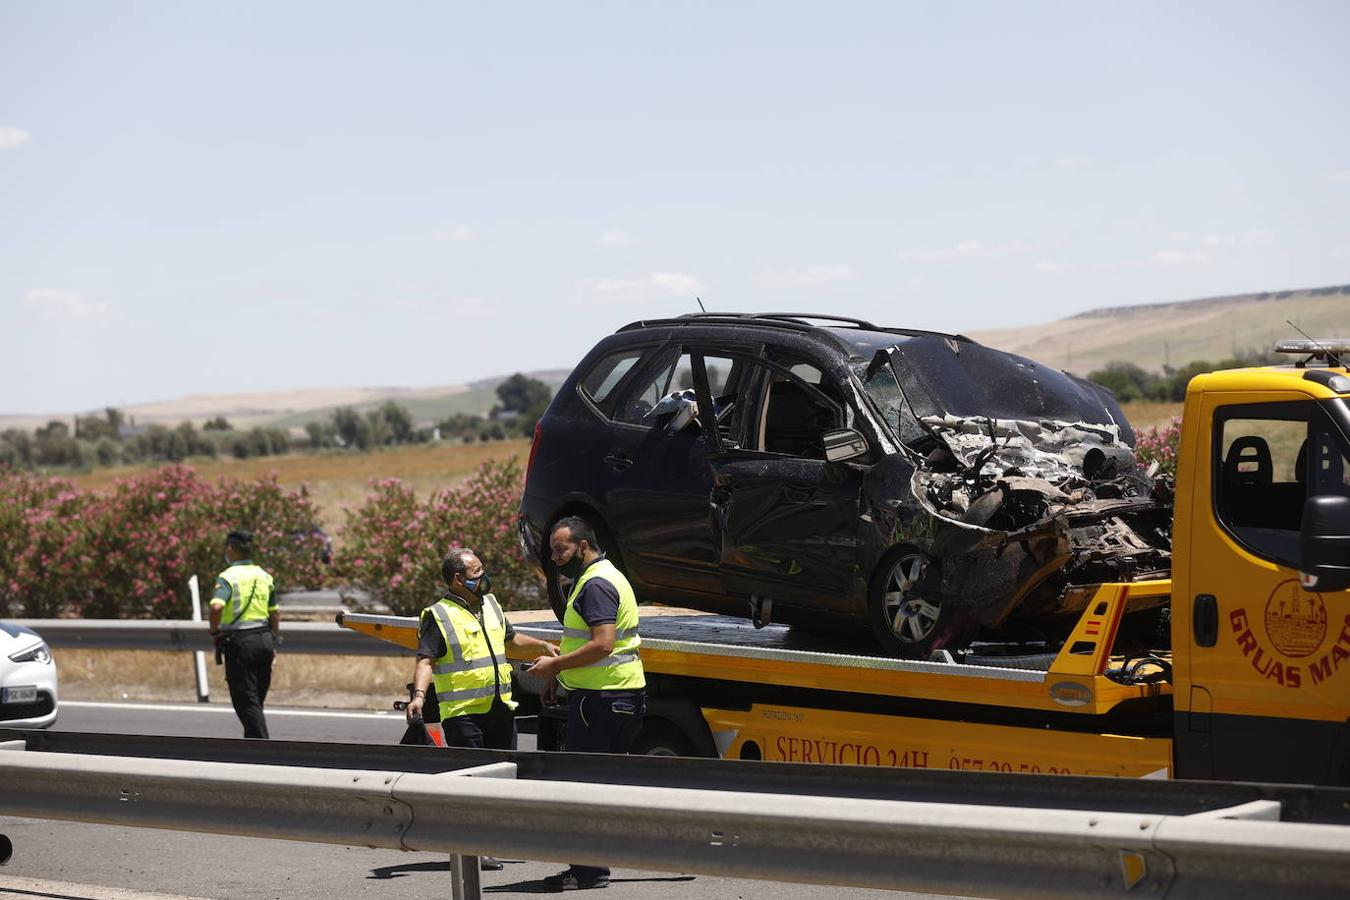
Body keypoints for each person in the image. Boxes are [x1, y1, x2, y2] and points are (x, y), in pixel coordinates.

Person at [406, 547, 558, 871]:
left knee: (502, 778)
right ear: (458, 579)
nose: (483, 576)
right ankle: (476, 846)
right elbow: (426, 659)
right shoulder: (438, 615)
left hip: (500, 706)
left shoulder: (491, 604)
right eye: (477, 573)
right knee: (474, 781)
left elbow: (511, 642)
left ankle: (492, 839)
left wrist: (543, 645)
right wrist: (419, 696)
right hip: (463, 712)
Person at [526, 516, 646, 892]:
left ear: (582, 546)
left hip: (602, 700)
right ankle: (592, 866)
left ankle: (589, 871)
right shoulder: (607, 575)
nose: (555, 557)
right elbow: (592, 644)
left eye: (561, 549)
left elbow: (603, 643)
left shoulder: (595, 584)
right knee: (598, 785)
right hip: (614, 694)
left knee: (579, 786)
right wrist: (559, 678)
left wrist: (555, 665)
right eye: (551, 551)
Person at [209, 529, 278, 739]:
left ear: (230, 549)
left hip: (241, 644)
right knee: (255, 702)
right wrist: (274, 641)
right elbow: (274, 613)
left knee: (246, 702)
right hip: (265, 640)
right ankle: (251, 752)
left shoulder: (228, 577)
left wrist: (214, 631)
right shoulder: (265, 576)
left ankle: (264, 751)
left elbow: (216, 607)